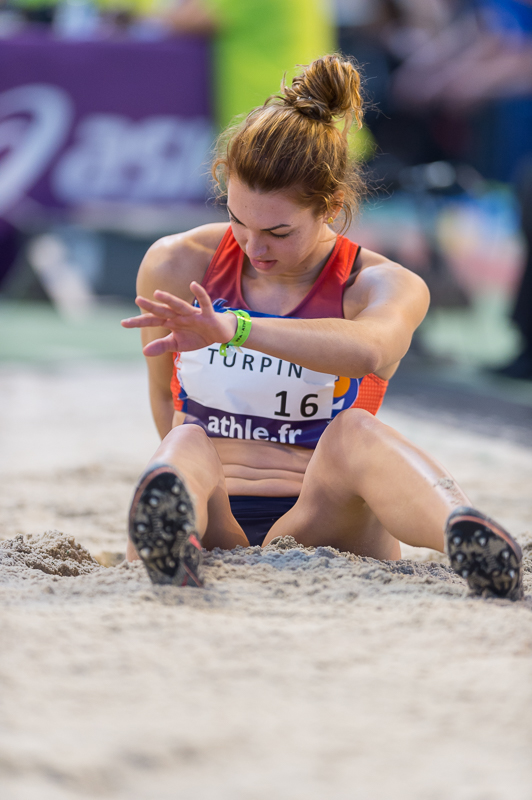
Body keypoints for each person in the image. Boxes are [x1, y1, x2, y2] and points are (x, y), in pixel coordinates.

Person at [121, 54, 523, 600]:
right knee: (186, 437)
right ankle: (170, 534)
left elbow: (369, 351)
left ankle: (467, 538)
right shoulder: (177, 262)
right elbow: (162, 404)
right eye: (238, 219)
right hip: (215, 513)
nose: (253, 246)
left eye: (278, 231)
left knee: (355, 432)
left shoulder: (382, 284)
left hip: (321, 518)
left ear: (330, 208)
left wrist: (235, 330)